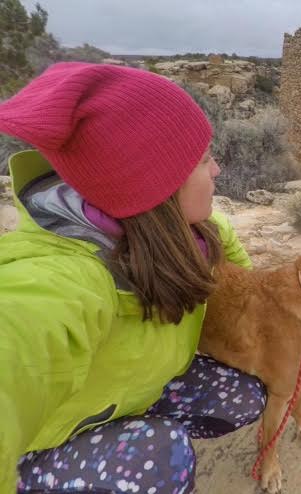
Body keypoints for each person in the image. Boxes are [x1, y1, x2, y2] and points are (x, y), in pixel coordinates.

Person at [0, 62, 267, 493]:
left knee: (245, 395)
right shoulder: (64, 278)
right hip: (44, 438)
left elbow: (248, 279)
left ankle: (129, 421)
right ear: (152, 186)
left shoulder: (194, 232)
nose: (216, 170)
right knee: (159, 456)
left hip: (132, 390)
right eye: (203, 160)